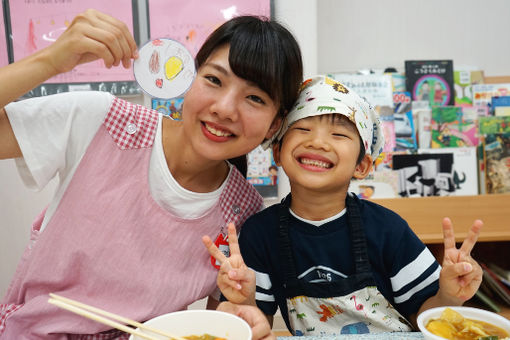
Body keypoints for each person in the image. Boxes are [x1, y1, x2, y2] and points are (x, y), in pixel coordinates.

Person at [0, 9, 303, 339]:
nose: (224, 108)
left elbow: (215, 324)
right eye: (214, 80)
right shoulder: (103, 121)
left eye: (255, 98)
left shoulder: (243, 211)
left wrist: (243, 305)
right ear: (190, 76)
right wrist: (52, 60)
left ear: (274, 124)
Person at [204, 75, 483, 336]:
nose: (317, 141)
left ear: (362, 165)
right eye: (302, 128)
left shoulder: (388, 230)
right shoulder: (259, 234)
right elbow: (259, 327)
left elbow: (423, 320)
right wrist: (246, 300)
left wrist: (447, 294)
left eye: (339, 135)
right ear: (277, 150)